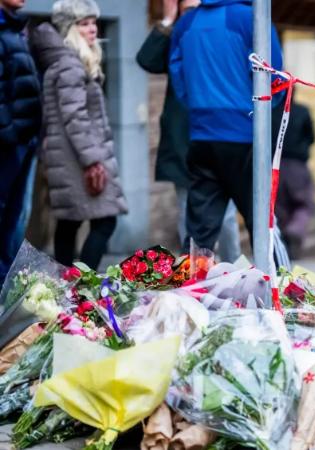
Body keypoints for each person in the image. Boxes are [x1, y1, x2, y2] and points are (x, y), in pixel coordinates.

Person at [169, 0, 289, 267]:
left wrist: (200, 110)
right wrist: (261, 113)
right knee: (263, 224)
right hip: (244, 136)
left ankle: (184, 300)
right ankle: (283, 292)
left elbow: (178, 77)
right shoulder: (251, 18)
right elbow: (274, 75)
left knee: (197, 235)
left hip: (202, 135)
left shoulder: (186, 23)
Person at [136, 0, 241, 262]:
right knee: (187, 213)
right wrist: (169, 20)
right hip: (183, 141)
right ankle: (194, 277)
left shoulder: (218, 34)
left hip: (219, 137)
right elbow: (147, 59)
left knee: (225, 217)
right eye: (187, 10)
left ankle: (236, 272)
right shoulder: (179, 36)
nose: (194, 16)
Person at [29, 0, 127, 269]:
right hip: (79, 160)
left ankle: (66, 285)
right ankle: (84, 283)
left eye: (94, 22)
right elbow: (75, 117)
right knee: (105, 221)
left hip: (70, 158)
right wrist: (92, 161)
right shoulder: (71, 67)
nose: (92, 28)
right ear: (70, 30)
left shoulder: (66, 64)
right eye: (84, 24)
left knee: (70, 223)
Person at [0, 0, 40, 284]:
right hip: (9, 144)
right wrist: (9, 132)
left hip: (23, 142)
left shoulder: (14, 27)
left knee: (12, 221)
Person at [273, 100, 315, 259]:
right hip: (297, 165)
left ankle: (284, 238)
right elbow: (311, 137)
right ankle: (294, 230)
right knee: (304, 203)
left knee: (279, 206)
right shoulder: (302, 111)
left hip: (275, 165)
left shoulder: (270, 110)